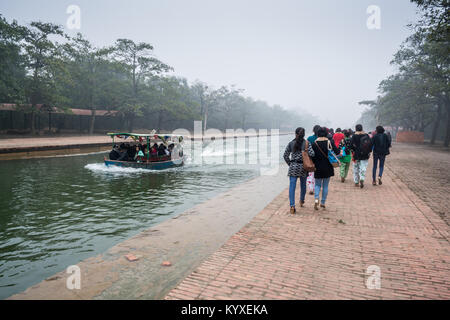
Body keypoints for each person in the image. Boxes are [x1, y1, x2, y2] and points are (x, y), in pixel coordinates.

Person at [283, 127, 315, 214]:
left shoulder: (291, 143)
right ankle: (301, 200)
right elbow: (312, 154)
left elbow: (285, 155)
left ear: (295, 134)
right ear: (304, 134)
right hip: (303, 167)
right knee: (303, 185)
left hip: (293, 166)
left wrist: (290, 164)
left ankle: (292, 206)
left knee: (292, 187)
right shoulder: (307, 143)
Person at [311, 127, 341, 210]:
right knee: (325, 186)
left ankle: (316, 199)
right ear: (326, 134)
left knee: (317, 185)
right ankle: (323, 202)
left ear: (317, 134)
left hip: (317, 167)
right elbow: (337, 152)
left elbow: (312, 156)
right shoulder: (329, 142)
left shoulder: (314, 144)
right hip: (328, 167)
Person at [350, 124, 372, 188]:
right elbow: (370, 144)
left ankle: (356, 182)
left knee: (356, 168)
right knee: (363, 167)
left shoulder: (354, 136)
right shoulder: (366, 135)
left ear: (356, 128)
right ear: (362, 128)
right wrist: (369, 151)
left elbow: (351, 145)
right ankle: (362, 178)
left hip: (356, 154)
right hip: (365, 154)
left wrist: (354, 150)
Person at [307, 125, 321, 195]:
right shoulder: (322, 139)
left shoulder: (309, 138)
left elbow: (306, 148)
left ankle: (311, 188)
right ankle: (316, 187)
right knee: (317, 174)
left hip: (310, 159)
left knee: (310, 174)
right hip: (319, 159)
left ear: (313, 130)